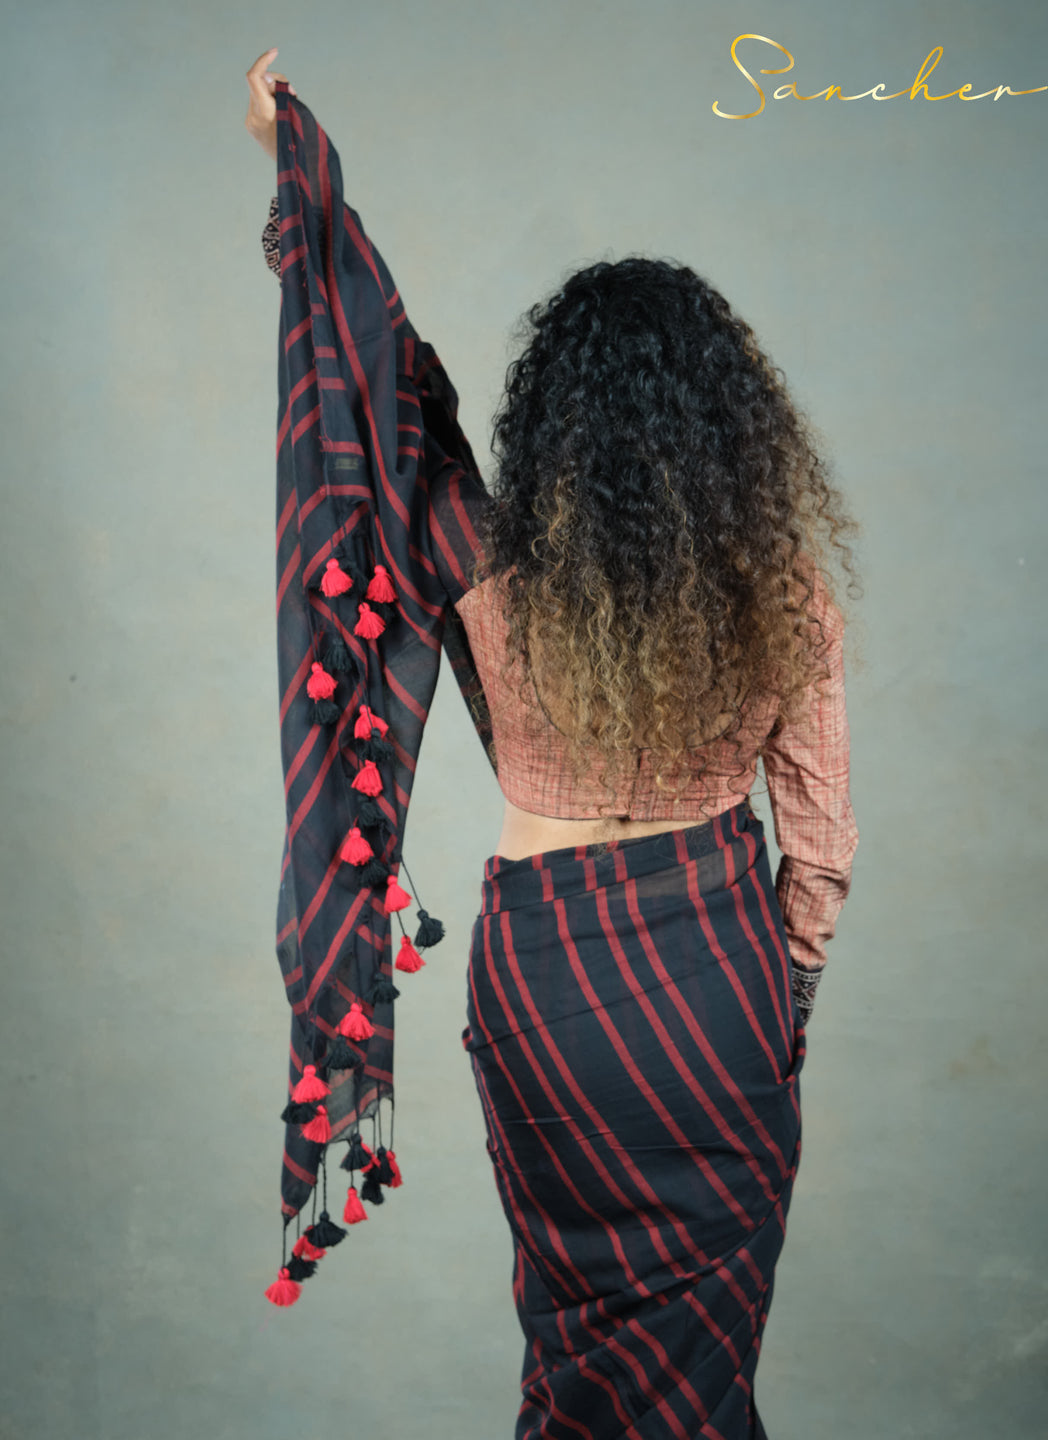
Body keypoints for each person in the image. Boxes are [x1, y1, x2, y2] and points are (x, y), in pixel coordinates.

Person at [245, 49, 860, 1440]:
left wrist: (295, 174)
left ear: (557, 424)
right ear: (734, 434)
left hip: (545, 991)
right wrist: (779, 1017)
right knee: (701, 1382)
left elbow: (384, 397)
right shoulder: (792, 602)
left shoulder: (490, 573)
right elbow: (818, 861)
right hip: (720, 986)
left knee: (575, 1354)